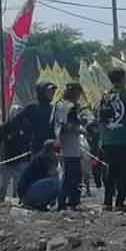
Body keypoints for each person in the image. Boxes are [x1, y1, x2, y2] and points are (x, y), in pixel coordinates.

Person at [97, 68, 126, 212]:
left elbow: (101, 120)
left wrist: (102, 138)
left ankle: (107, 202)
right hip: (124, 139)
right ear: (122, 79)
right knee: (123, 172)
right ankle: (120, 203)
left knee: (110, 171)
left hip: (108, 140)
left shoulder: (105, 97)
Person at [52, 83, 85, 211]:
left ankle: (63, 201)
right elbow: (70, 126)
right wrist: (81, 128)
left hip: (60, 143)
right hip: (71, 145)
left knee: (66, 175)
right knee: (73, 176)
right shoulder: (71, 107)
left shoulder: (59, 105)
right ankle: (72, 201)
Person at [0, 104, 30, 203]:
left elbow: (28, 141)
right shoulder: (4, 126)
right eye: (15, 112)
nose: (17, 114)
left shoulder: (25, 126)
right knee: (5, 182)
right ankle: (2, 201)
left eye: (19, 112)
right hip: (8, 158)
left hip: (21, 158)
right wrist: (1, 158)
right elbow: (1, 143)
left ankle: (19, 200)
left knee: (20, 181)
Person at [18, 140, 61, 211]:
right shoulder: (43, 158)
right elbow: (52, 174)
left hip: (29, 191)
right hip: (28, 192)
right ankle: (38, 204)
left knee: (56, 182)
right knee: (54, 182)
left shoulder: (42, 157)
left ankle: (41, 204)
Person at [23, 82, 58, 155]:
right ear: (41, 92)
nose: (52, 93)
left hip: (52, 148)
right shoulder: (32, 108)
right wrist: (3, 129)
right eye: (49, 91)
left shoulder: (54, 109)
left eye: (53, 91)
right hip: (37, 148)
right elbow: (17, 122)